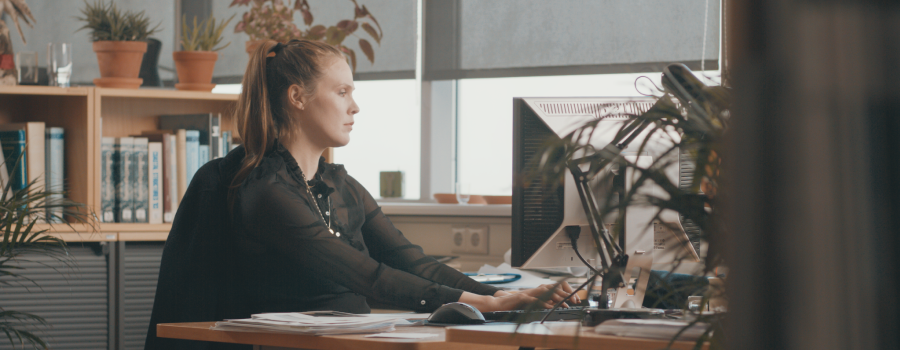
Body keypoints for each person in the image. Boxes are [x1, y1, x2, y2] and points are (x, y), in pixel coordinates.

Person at [145, 40, 580, 350]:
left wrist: (496, 300)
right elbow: (368, 276)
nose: (355, 106)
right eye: (342, 91)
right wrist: (484, 302)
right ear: (297, 97)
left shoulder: (339, 183)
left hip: (350, 340)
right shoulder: (264, 190)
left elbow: (411, 260)